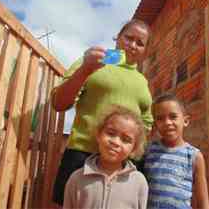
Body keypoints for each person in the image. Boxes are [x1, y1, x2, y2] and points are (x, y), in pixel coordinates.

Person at [52, 19, 153, 206]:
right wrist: (85, 69)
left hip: (125, 164)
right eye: (128, 38)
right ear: (117, 38)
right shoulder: (92, 63)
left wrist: (133, 151)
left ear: (145, 51)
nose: (132, 45)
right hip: (83, 155)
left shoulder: (142, 81)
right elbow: (59, 103)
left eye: (140, 43)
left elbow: (145, 123)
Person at [63, 105, 149, 209]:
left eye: (126, 140)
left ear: (134, 148)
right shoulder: (77, 179)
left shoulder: (139, 182)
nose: (116, 142)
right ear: (98, 134)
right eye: (111, 133)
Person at [143, 94, 209, 209]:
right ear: (155, 124)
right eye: (160, 118)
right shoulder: (149, 151)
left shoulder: (194, 156)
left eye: (173, 117)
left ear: (185, 121)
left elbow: (202, 199)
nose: (167, 122)